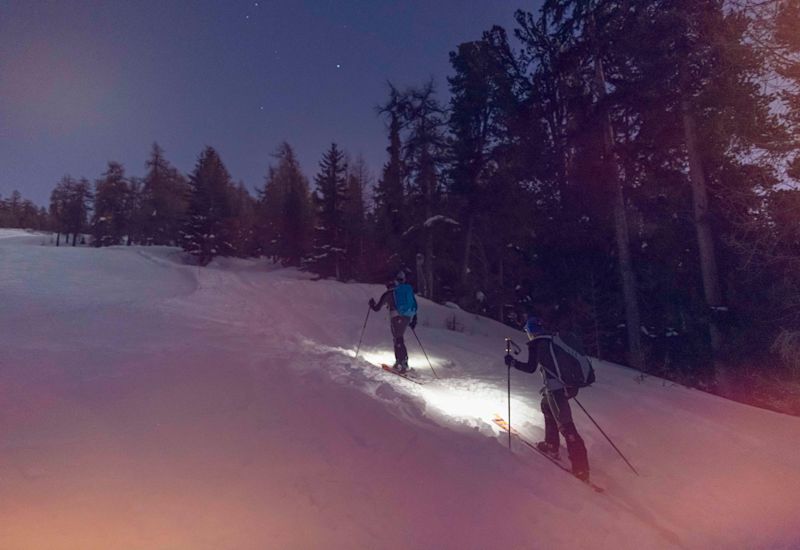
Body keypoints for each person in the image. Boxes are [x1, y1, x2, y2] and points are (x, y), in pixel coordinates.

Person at [505, 310, 590, 481]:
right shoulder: (553, 341)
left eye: (528, 332)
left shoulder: (537, 343)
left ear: (531, 331)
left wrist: (512, 362)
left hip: (557, 389)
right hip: (567, 387)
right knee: (546, 405)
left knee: (566, 426)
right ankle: (551, 444)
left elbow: (530, 368)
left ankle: (581, 468)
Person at [368, 271, 418, 373]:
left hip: (396, 317)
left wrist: (371, 304)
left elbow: (377, 308)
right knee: (398, 338)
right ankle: (400, 361)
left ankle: (403, 363)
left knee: (398, 339)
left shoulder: (390, 293)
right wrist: (413, 320)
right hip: (407, 317)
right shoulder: (406, 292)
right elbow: (414, 306)